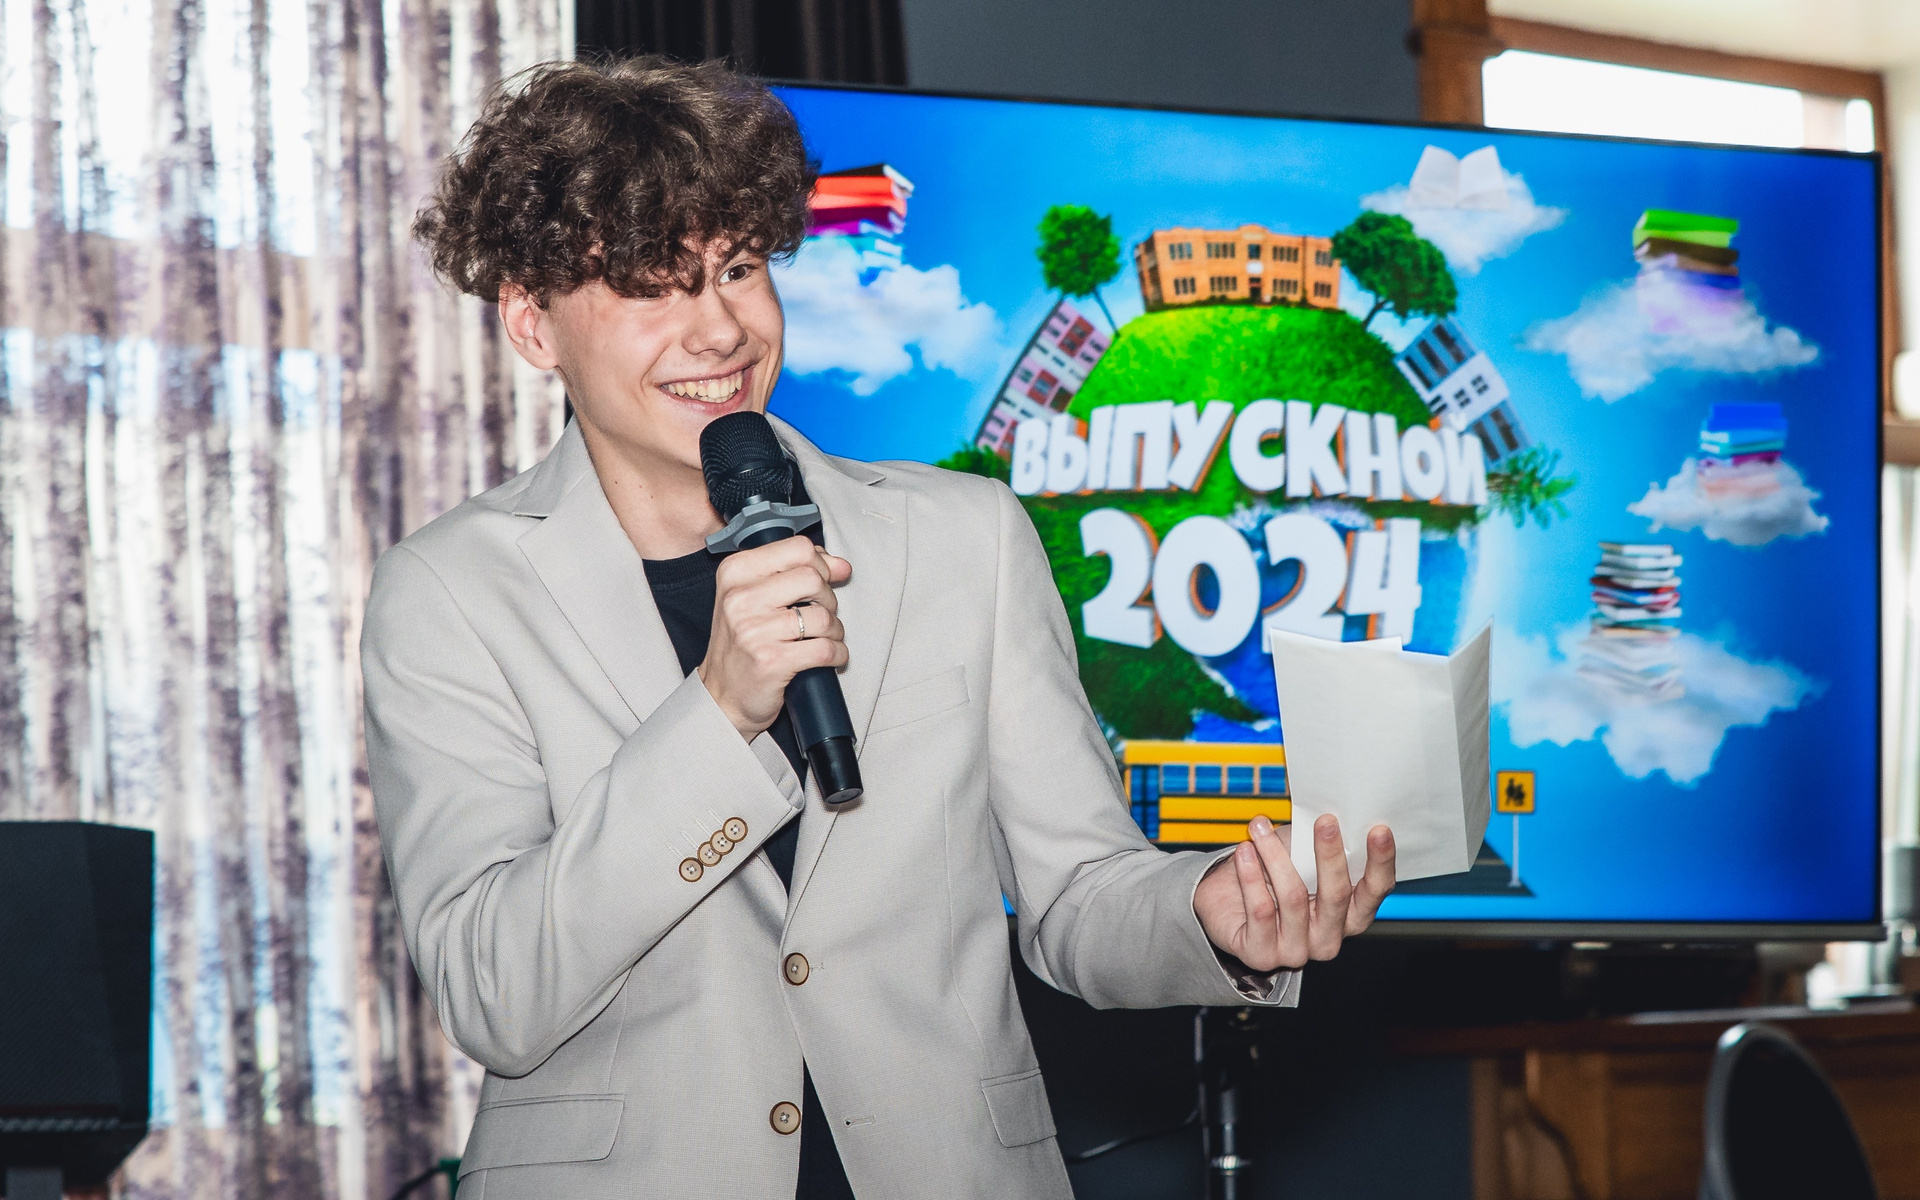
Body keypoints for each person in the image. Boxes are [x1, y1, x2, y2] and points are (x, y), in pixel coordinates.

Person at [365, 56, 1397, 1200]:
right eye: (655, 287)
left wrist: (1207, 916)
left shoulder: (961, 536)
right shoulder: (449, 592)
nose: (720, 329)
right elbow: (492, 991)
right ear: (532, 324)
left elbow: (1079, 895)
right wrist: (718, 712)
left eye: (739, 268)